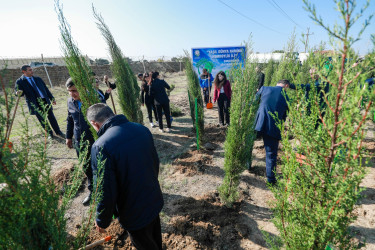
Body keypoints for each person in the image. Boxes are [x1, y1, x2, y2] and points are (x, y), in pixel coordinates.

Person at [87, 103, 163, 250]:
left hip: (133, 212)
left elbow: (104, 189)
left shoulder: (101, 146)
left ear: (94, 124)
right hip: (153, 199)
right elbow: (155, 163)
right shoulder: (141, 129)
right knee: (155, 240)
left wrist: (101, 220)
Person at [254, 79, 290, 185]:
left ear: (277, 83)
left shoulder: (264, 88)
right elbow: (284, 116)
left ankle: (247, 165)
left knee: (248, 145)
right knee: (270, 154)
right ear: (286, 86)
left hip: (258, 124)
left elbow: (254, 103)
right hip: (272, 128)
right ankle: (270, 180)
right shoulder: (286, 97)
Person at [65, 78, 95, 205]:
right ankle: (92, 190)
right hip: (79, 140)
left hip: (95, 139)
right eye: (70, 91)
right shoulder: (69, 102)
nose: (73, 94)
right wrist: (68, 136)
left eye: (75, 91)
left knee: (101, 165)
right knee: (86, 166)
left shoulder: (92, 100)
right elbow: (70, 119)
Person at [14, 65, 65, 139]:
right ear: (24, 72)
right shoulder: (20, 81)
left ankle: (58, 131)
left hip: (44, 100)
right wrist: (17, 93)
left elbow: (45, 89)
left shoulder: (38, 79)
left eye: (31, 69)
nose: (32, 71)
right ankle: (50, 134)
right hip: (34, 103)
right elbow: (18, 92)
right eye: (30, 70)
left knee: (51, 117)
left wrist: (52, 98)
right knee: (42, 119)